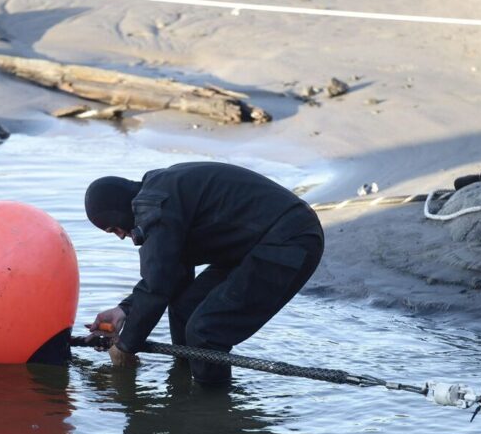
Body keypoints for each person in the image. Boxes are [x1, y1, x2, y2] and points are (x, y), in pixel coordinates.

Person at [84, 162, 324, 386]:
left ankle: (212, 411)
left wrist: (125, 346)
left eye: (114, 228)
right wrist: (124, 310)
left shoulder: (153, 206)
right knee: (185, 308)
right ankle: (185, 385)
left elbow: (157, 285)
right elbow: (168, 272)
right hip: (255, 244)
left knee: (205, 331)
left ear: (119, 209)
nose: (121, 235)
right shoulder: (159, 194)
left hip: (291, 240)